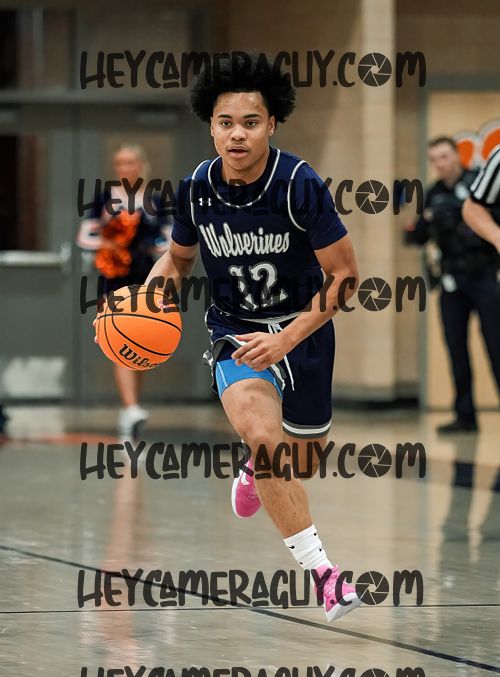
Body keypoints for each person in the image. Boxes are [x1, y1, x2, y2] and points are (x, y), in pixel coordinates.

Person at [137, 55, 361, 621]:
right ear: (211, 127)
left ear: (272, 124)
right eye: (226, 122)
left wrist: (286, 339)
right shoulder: (196, 188)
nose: (237, 134)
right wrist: (148, 298)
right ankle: (325, 576)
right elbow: (179, 259)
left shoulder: (299, 184)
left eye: (251, 122)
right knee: (265, 440)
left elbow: (345, 278)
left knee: (300, 463)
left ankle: (253, 469)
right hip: (235, 334)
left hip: (303, 333)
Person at [406, 137, 499, 433]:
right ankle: (465, 415)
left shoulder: (478, 183)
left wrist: (460, 213)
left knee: (496, 346)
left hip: (484, 275)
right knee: (456, 349)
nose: (440, 164)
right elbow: (417, 236)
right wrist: (422, 222)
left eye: (444, 156)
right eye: (434, 159)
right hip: (451, 280)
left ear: (457, 156)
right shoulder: (433, 194)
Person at [78, 143, 170, 437]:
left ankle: (132, 407)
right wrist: (111, 244)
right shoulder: (104, 199)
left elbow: (171, 241)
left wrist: (149, 248)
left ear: (141, 165)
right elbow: (85, 236)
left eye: (130, 162)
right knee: (120, 340)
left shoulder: (155, 201)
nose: (125, 168)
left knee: (140, 342)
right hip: (115, 280)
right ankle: (130, 407)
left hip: (145, 280)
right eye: (120, 163)